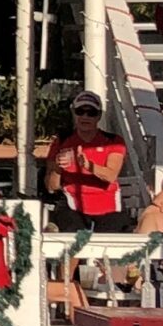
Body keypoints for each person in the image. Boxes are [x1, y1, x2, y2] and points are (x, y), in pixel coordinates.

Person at [44, 90, 132, 232]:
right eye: (80, 111)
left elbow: (111, 175)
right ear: (74, 113)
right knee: (71, 235)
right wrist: (58, 168)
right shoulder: (61, 141)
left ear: (99, 116)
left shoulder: (113, 141)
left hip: (108, 203)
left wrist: (87, 165)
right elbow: (51, 187)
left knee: (110, 239)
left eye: (91, 113)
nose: (85, 117)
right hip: (72, 203)